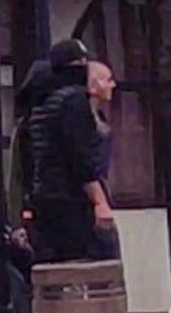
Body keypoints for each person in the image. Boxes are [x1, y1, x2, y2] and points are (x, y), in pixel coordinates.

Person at [28, 38, 117, 263]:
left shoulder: (42, 102)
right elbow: (80, 157)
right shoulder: (74, 101)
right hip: (71, 202)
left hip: (46, 200)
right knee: (95, 265)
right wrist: (99, 202)